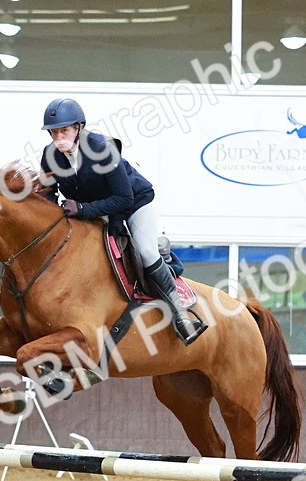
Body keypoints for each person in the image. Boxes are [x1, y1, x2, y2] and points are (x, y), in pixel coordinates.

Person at [38, 97, 206, 345]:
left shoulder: (101, 149)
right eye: (54, 132)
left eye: (64, 130)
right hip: (96, 210)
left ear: (79, 128)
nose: (59, 137)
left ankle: (182, 315)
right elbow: (49, 191)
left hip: (134, 203)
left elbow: (123, 198)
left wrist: (83, 208)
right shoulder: (50, 155)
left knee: (147, 252)